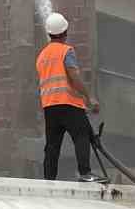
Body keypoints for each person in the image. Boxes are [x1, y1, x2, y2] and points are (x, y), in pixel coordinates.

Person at [38, 12, 102, 182]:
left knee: (52, 145)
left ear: (49, 33)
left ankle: (48, 179)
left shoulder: (42, 56)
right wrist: (89, 98)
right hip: (69, 103)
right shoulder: (67, 51)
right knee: (81, 136)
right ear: (65, 32)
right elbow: (74, 77)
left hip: (50, 106)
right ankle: (85, 174)